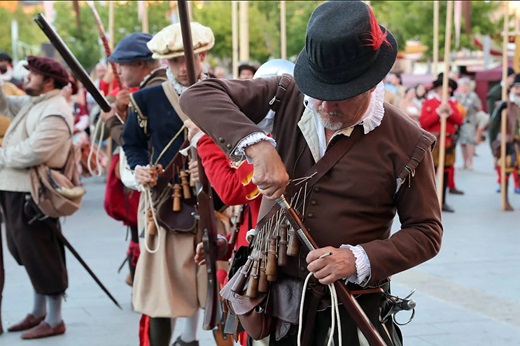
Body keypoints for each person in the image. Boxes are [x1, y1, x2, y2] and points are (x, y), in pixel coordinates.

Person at [180, 2, 442, 345]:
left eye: (340, 95)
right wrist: (257, 145)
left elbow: (426, 233)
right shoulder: (285, 96)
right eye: (320, 91)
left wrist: (357, 258)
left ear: (370, 82)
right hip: (276, 309)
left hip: (351, 311)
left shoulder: (408, 141)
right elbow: (198, 96)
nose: (325, 106)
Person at [122, 22, 214, 346]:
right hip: (164, 206)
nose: (183, 66)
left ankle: (193, 340)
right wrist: (140, 168)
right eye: (174, 60)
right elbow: (132, 143)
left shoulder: (223, 92)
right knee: (162, 296)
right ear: (165, 62)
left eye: (187, 58)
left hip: (215, 203)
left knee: (215, 290)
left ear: (201, 54)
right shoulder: (146, 99)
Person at [0, 56, 73, 339]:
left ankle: (54, 319)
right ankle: (39, 311)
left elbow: (35, 151)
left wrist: (1, 156)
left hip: (33, 194)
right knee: (27, 253)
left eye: (31, 76)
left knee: (41, 254)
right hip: (18, 190)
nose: (25, 79)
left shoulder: (54, 110)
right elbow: (5, 104)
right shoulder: (38, 102)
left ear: (48, 81)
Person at [100, 32, 167, 287]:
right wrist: (120, 111)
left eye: (123, 64)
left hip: (157, 182)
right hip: (154, 178)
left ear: (140, 64)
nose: (118, 69)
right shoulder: (150, 88)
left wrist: (110, 123)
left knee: (152, 250)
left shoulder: (152, 92)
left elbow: (138, 141)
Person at [420, 74, 463, 212]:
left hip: (448, 142)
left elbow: (459, 120)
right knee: (429, 172)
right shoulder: (430, 103)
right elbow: (424, 122)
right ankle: (426, 203)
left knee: (445, 172)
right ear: (438, 88)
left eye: (449, 88)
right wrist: (438, 112)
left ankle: (442, 201)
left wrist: (449, 112)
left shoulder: (452, 104)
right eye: (444, 87)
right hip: (434, 141)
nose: (447, 90)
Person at [489, 74, 520, 210]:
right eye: (517, 87)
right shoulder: (504, 105)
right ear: (511, 88)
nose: (519, 91)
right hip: (509, 142)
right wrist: (493, 145)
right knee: (506, 168)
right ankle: (505, 199)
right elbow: (493, 125)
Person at [455, 77, 483, 170]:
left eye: (466, 85)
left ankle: (470, 162)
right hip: (459, 122)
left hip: (469, 122)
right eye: (462, 85)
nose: (464, 87)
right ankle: (464, 162)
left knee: (469, 142)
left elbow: (479, 107)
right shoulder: (457, 96)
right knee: (462, 143)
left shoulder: (473, 96)